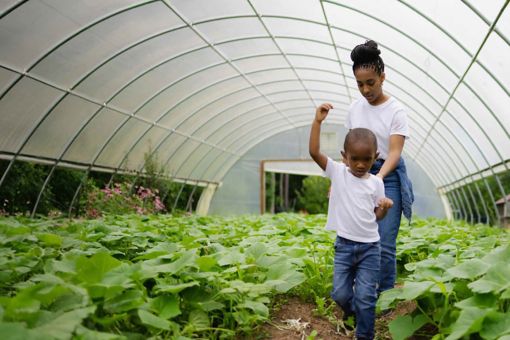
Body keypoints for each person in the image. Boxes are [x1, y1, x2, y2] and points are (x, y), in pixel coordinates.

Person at [309, 107, 393, 340]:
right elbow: (314, 151)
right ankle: (353, 313)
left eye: (366, 159)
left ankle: (364, 335)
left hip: (369, 249)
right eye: (354, 159)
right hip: (344, 246)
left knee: (366, 296)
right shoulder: (338, 173)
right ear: (344, 156)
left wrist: (383, 208)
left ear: (375, 157)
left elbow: (376, 216)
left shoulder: (376, 183)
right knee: (340, 294)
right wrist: (317, 122)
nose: (359, 164)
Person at [347, 40, 414, 295]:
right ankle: (361, 290)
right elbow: (351, 150)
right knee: (357, 236)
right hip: (359, 174)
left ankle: (384, 295)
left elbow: (395, 152)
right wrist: (345, 179)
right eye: (360, 84)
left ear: (382, 77)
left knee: (385, 241)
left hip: (389, 177)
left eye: (370, 82)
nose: (365, 89)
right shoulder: (355, 109)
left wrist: (378, 179)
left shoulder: (396, 110)